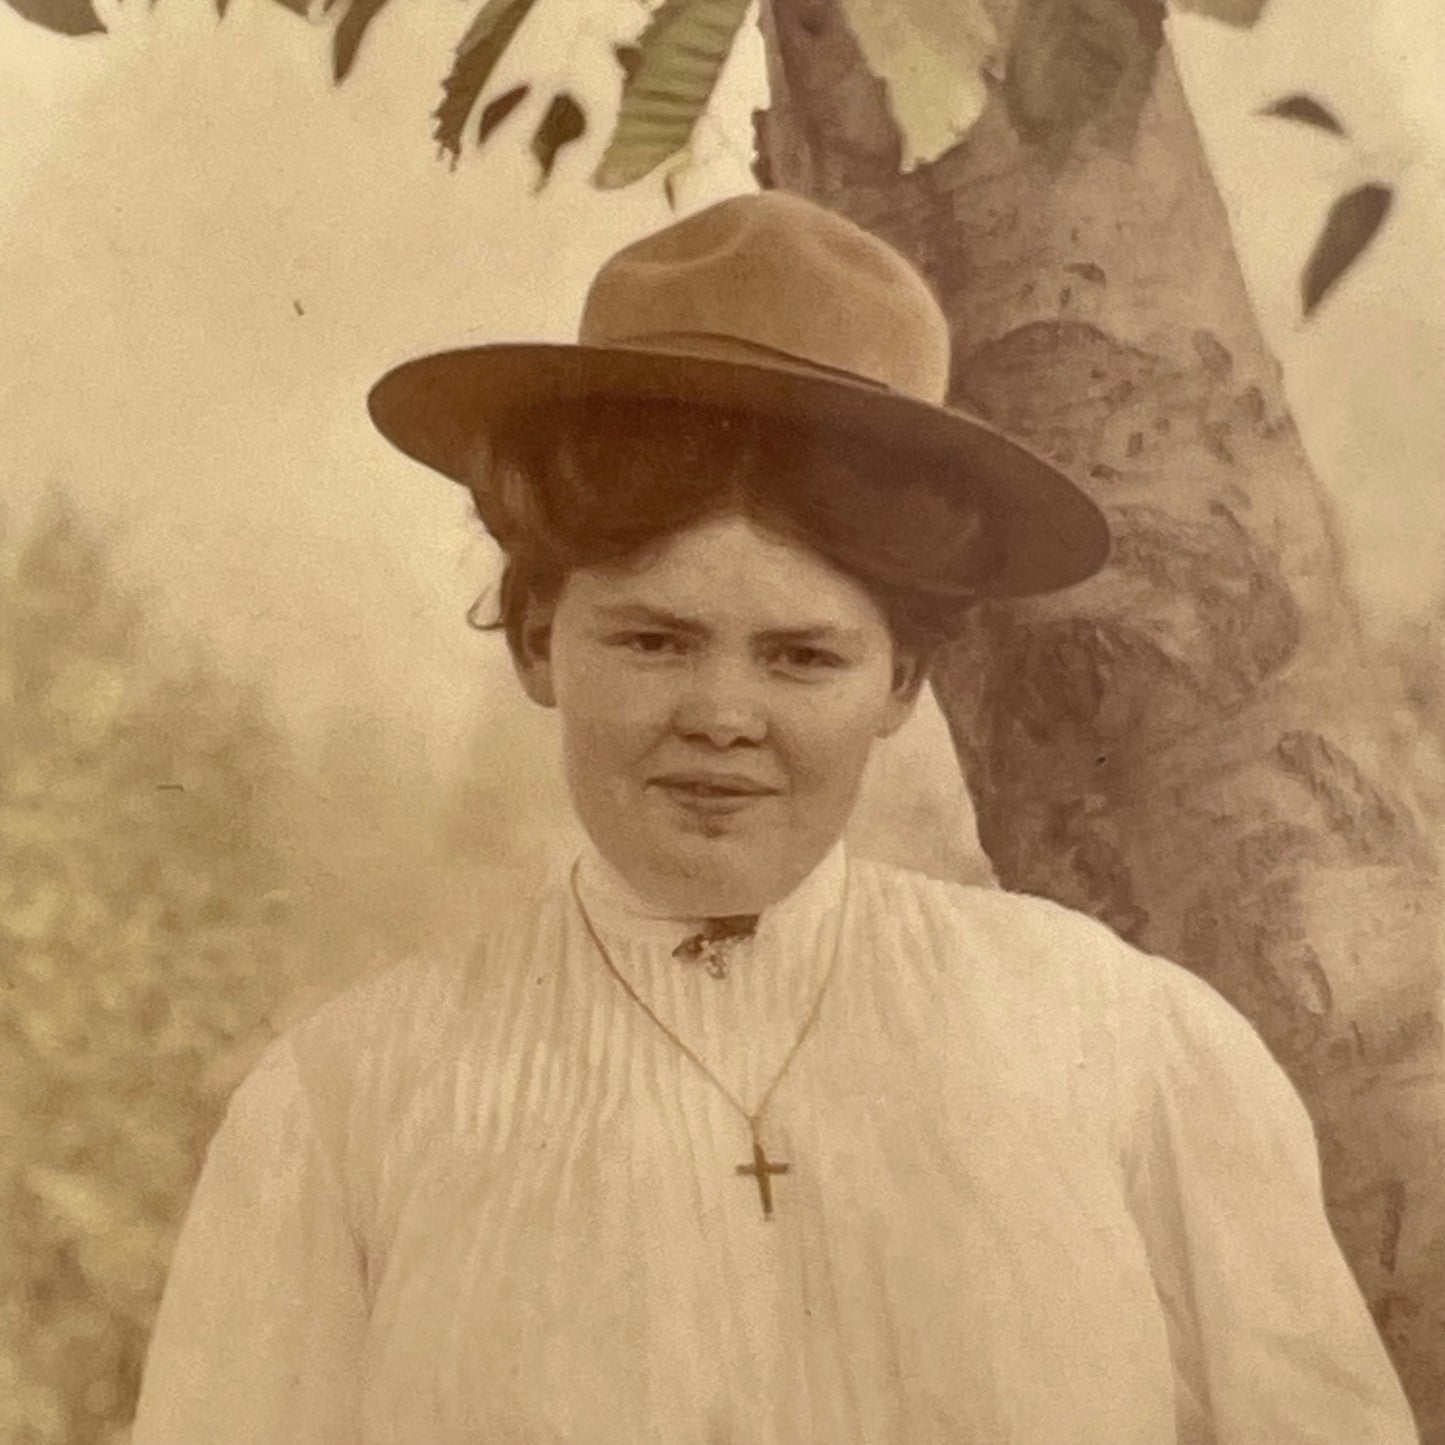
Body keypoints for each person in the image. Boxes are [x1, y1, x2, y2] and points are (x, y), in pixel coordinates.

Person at [129, 191, 1419, 1445]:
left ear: (902, 684)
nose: (723, 715)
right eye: (652, 639)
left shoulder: (1129, 1054)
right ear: (538, 644)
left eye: (803, 657)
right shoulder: (344, 1112)